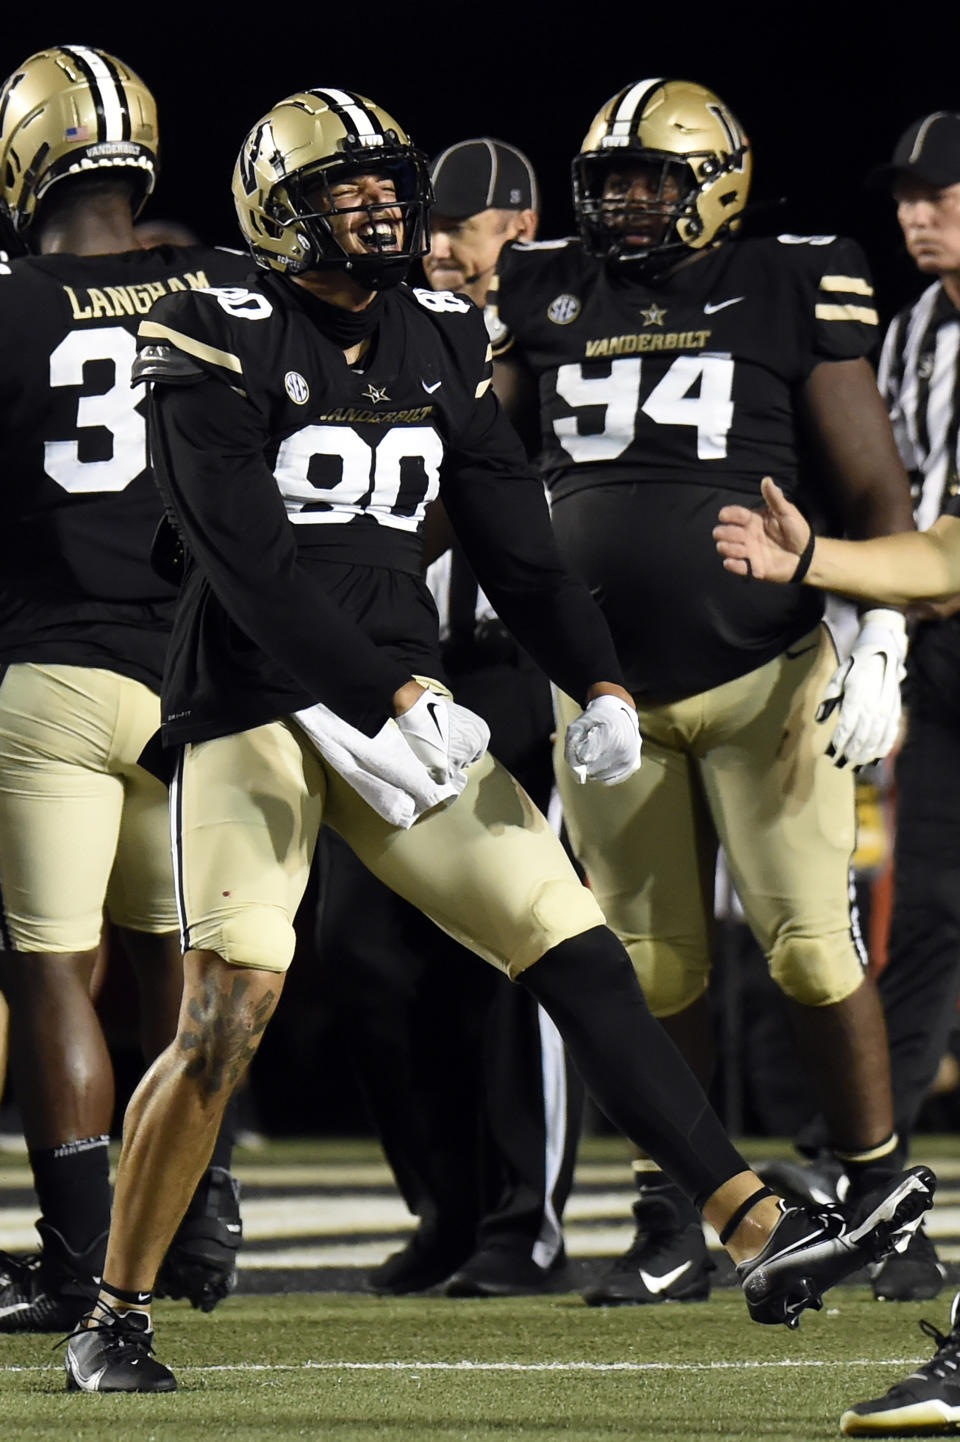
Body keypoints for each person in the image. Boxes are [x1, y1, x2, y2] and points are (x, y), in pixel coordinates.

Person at [54, 84, 935, 1394]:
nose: (379, 208)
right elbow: (248, 567)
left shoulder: (439, 337)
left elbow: (519, 545)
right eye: (341, 191)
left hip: (399, 706)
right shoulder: (216, 324)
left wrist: (603, 680)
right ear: (273, 214)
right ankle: (111, 1312)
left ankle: (757, 1222)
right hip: (259, 702)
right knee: (231, 1003)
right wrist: (390, 694)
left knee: (572, 941)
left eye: (387, 185)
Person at [487, 76, 917, 1308]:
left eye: (653, 179)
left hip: (764, 674)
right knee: (647, 962)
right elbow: (482, 462)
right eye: (611, 179)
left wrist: (879, 627)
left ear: (716, 179)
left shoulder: (793, 278)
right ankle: (679, 1210)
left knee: (809, 945)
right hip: (602, 691)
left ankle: (880, 1198)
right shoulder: (545, 290)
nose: (626, 201)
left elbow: (874, 493)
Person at [0, 44, 251, 1332]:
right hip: (198, 675)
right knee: (180, 952)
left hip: (52, 666)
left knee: (52, 966)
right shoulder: (228, 285)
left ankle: (78, 1251)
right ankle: (199, 1219)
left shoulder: (12, 304)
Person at [317, 137, 583, 1299]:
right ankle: (447, 1203)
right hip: (396, 672)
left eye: (462, 228)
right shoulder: (388, 327)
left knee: (516, 945)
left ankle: (525, 1220)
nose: (435, 242)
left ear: (520, 233)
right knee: (361, 951)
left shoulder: (562, 333)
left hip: (510, 671)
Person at [763, 110, 960, 1310]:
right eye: (908, 195)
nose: (917, 211)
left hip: (931, 595)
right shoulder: (919, 329)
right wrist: (875, 622)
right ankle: (867, 1169)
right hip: (939, 640)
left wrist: (822, 571)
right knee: (927, 909)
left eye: (943, 192)